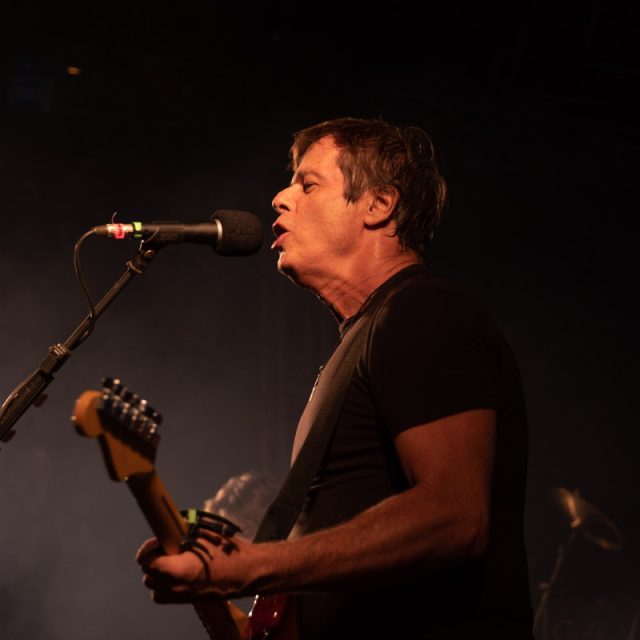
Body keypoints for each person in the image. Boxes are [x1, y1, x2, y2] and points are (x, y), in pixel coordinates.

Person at [137, 117, 533, 638]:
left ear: (378, 204)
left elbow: (455, 516)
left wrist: (256, 565)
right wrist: (220, 580)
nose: (280, 198)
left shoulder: (424, 311)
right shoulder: (363, 340)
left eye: (308, 184)